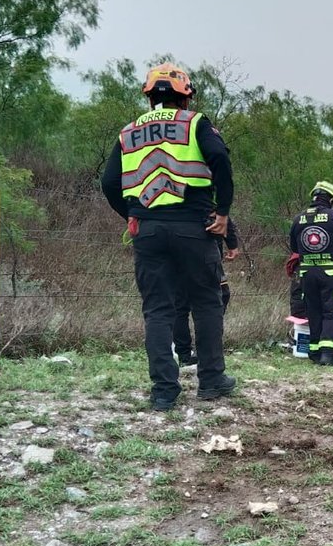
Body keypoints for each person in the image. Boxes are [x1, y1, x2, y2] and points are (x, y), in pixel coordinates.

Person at [100, 62, 236, 410]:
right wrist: (223, 212)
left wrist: (133, 214)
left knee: (157, 309)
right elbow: (220, 159)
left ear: (150, 98)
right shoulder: (195, 123)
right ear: (186, 97)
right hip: (194, 227)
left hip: (147, 230)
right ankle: (211, 380)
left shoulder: (128, 132)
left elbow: (109, 182)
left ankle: (163, 390)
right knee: (206, 302)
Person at [288, 181, 333, 366]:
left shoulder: (298, 219)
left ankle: (315, 352)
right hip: (330, 273)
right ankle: (328, 355)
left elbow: (294, 247)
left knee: (313, 312)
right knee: (331, 313)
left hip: (307, 273)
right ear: (331, 199)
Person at [174, 216, 239, 366]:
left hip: (172, 243)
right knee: (214, 298)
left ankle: (186, 354)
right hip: (203, 248)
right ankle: (199, 353)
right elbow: (220, 212)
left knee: (180, 302)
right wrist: (232, 243)